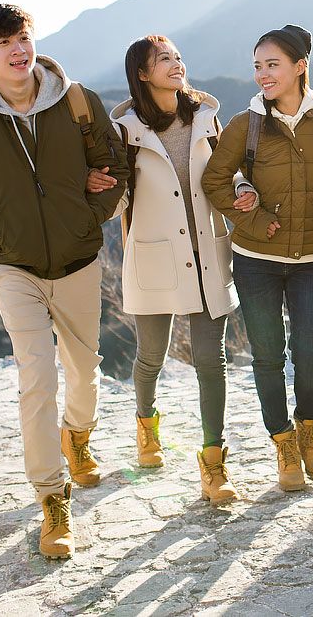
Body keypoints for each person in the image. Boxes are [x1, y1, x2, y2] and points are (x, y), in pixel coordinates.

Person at [0, 3, 129, 559]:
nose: (18, 50)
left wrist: (91, 212)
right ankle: (52, 500)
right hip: (13, 265)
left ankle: (79, 439)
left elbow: (114, 165)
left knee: (84, 371)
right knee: (37, 378)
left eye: (22, 38)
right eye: (4, 44)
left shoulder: (76, 101)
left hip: (78, 259)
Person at [96, 34, 253, 506]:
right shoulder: (125, 130)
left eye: (179, 57)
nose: (176, 64)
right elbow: (117, 197)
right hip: (154, 257)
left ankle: (213, 461)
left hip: (207, 252)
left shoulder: (207, 116)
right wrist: (97, 193)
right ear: (142, 74)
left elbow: (229, 168)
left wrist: (245, 188)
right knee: (151, 357)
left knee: (212, 361)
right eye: (163, 59)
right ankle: (146, 425)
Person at [203, 24, 313, 493]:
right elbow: (214, 181)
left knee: (310, 353)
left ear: (300, 66)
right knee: (266, 354)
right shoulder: (246, 124)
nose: (262, 74)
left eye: (272, 64)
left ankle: (308, 431)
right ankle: (282, 443)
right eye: (257, 66)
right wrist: (255, 220)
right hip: (256, 257)